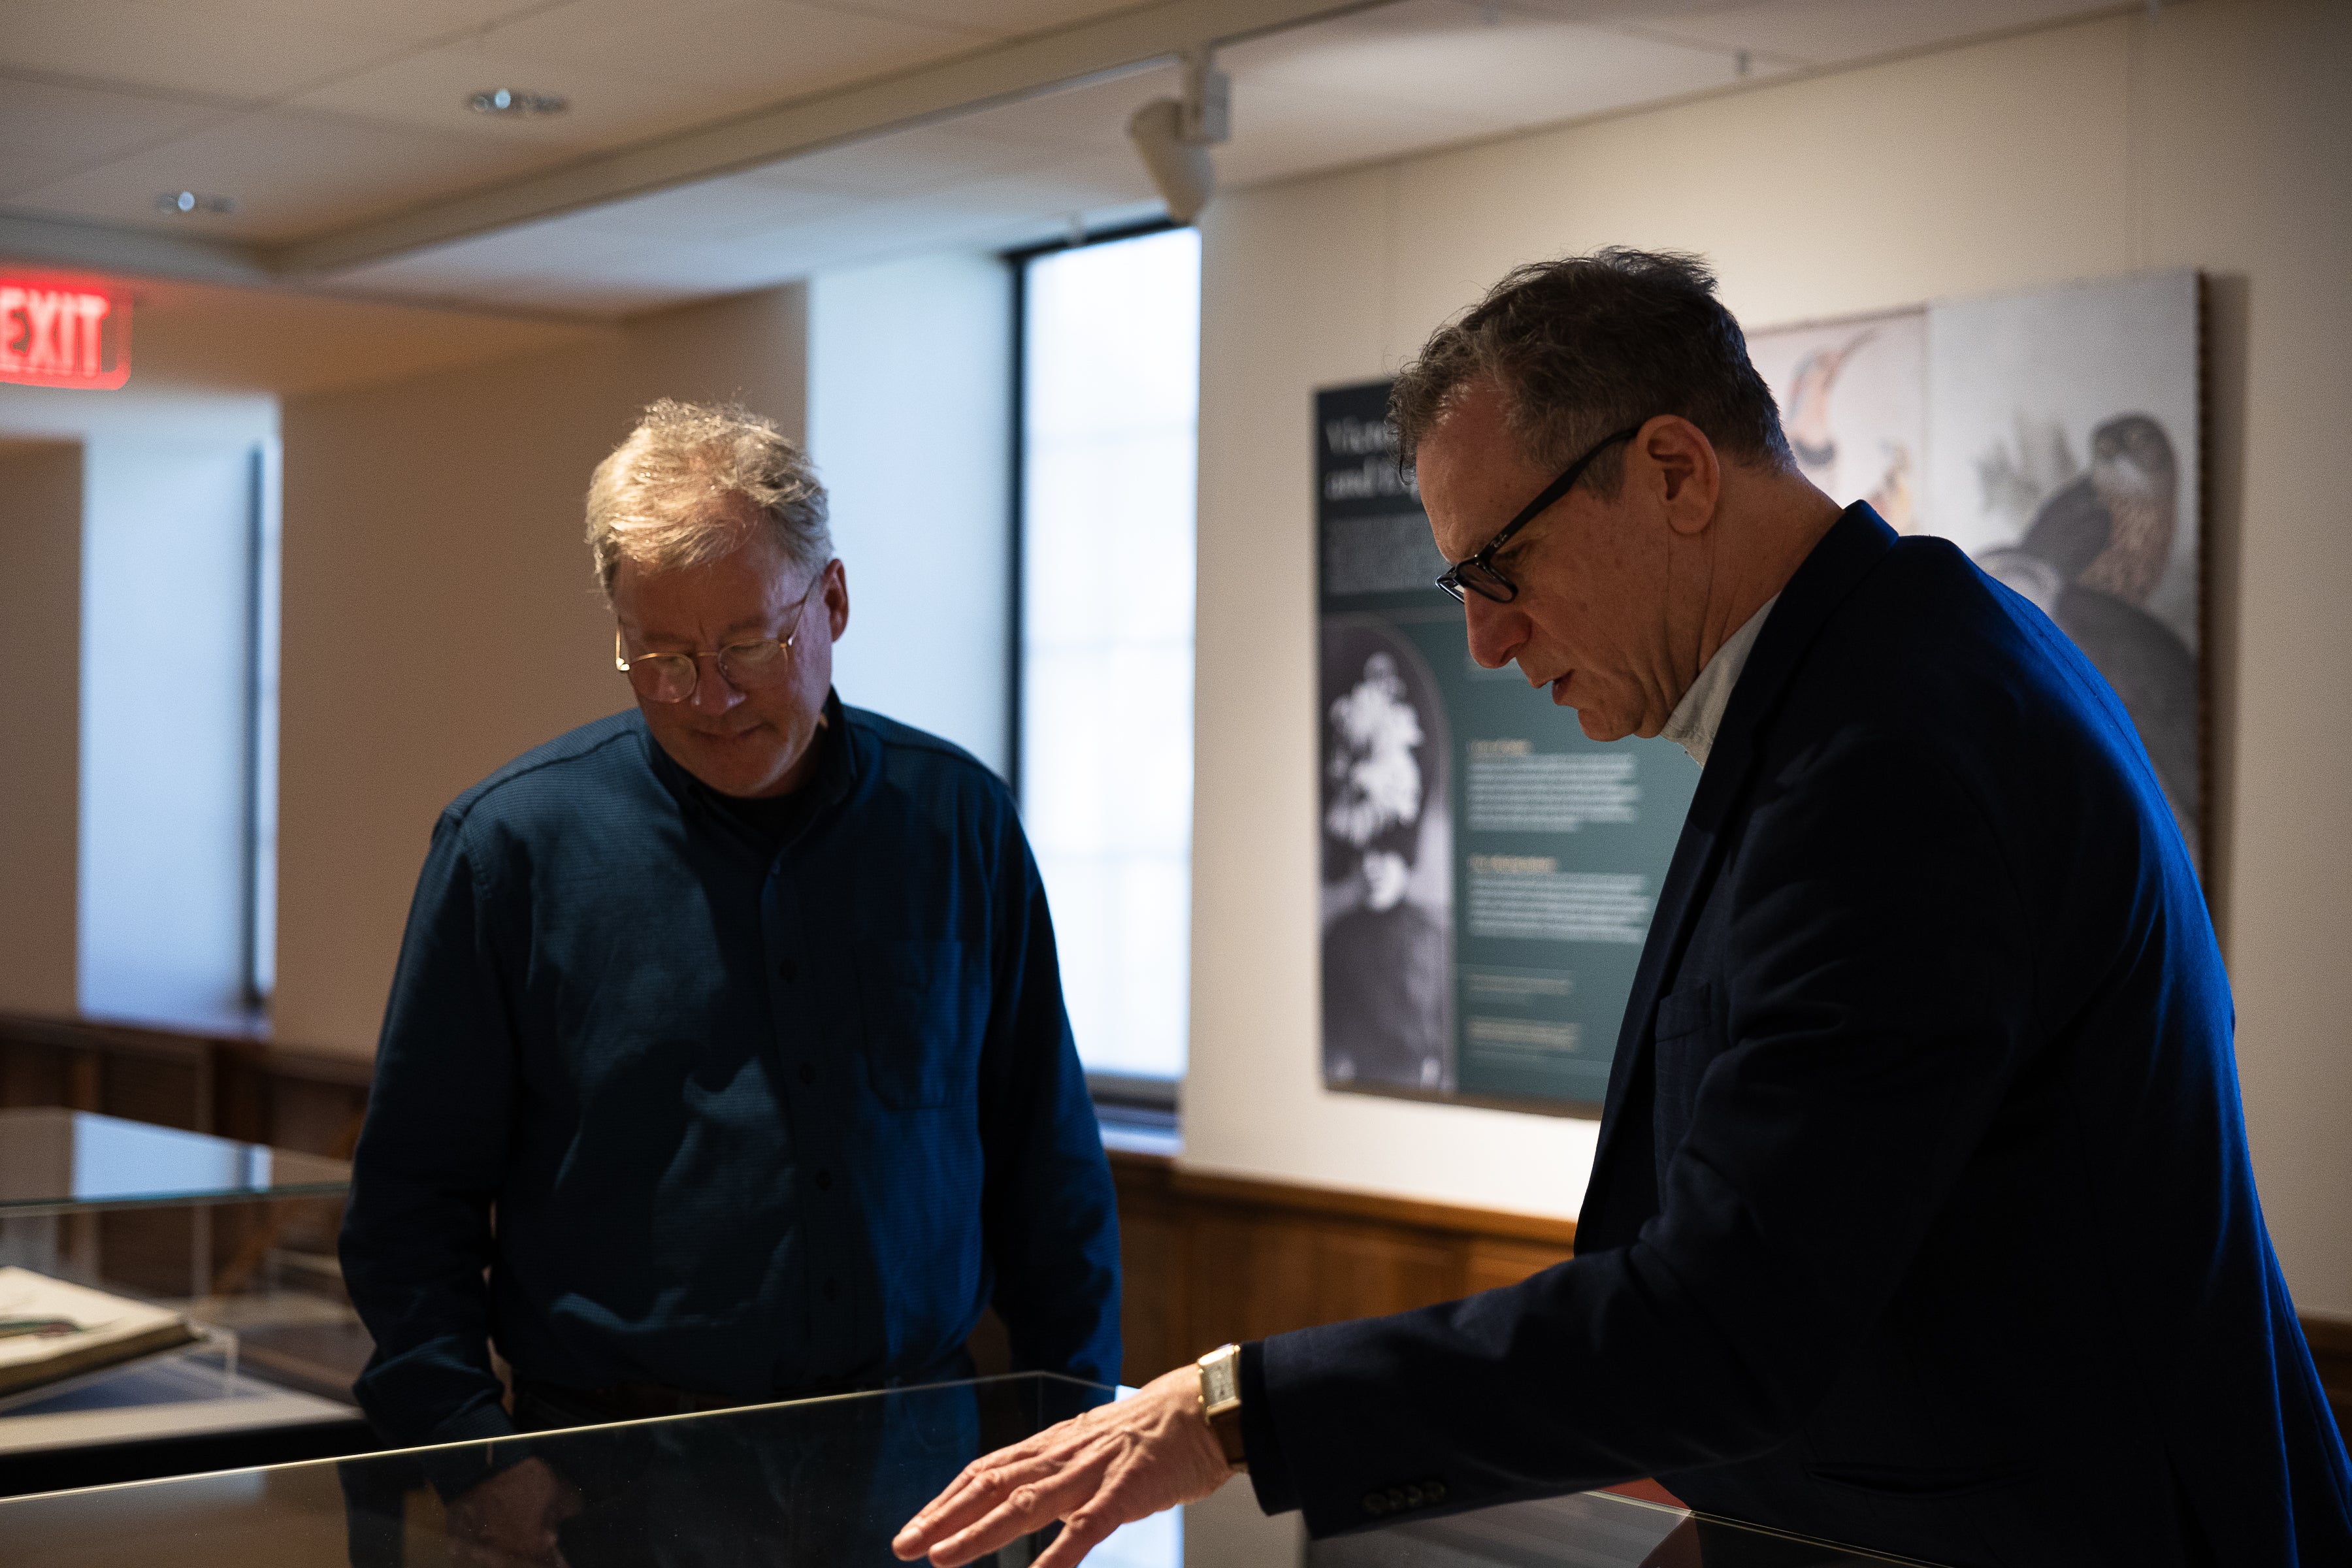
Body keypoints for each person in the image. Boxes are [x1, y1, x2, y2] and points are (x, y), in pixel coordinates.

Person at [890, 252, 2352, 1567]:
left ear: (1673, 471)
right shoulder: (1897, 666)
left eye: (1498, 567)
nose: (1484, 637)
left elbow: (1731, 1318)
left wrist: (1233, 1416)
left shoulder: (1892, 750)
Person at [340, 400, 1119, 1561]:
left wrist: (1076, 1435)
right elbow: (411, 1202)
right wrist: (469, 1448)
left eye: (748, 644)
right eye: (660, 657)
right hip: (613, 1488)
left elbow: (1044, 1159)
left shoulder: (956, 820)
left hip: (916, 1472)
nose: (709, 695)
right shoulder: (511, 849)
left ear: (835, 602)